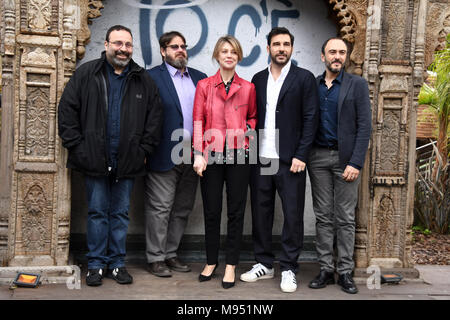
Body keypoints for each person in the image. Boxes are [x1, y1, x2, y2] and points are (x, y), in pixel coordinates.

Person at [58, 25, 163, 287]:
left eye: (128, 44)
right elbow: (67, 111)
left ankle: (116, 264)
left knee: (120, 214)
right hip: (93, 158)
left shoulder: (142, 79)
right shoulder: (86, 74)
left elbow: (155, 118)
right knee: (97, 212)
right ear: (106, 44)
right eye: (118, 43)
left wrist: (144, 150)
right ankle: (95, 265)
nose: (123, 49)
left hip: (127, 160)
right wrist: (78, 148)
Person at [240, 27, 319, 293]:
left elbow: (311, 119)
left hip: (290, 160)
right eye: (276, 44)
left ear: (292, 49)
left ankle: (288, 267)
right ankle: (264, 263)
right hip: (262, 159)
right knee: (261, 213)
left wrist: (301, 155)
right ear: (268, 48)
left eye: (286, 44)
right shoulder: (258, 78)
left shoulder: (304, 78)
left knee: (292, 215)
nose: (281, 48)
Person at [307, 37, 371, 294]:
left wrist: (356, 161)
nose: (337, 56)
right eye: (332, 52)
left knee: (345, 218)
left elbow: (364, 126)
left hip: (346, 161)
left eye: (342, 52)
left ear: (346, 56)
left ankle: (344, 272)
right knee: (323, 217)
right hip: (318, 159)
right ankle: (325, 269)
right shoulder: (312, 86)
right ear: (323, 56)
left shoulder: (357, 85)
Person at [192, 35, 257, 289]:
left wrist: (246, 137)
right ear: (217, 56)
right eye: (224, 51)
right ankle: (210, 261)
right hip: (211, 154)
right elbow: (198, 121)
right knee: (211, 209)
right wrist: (198, 154)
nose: (229, 55)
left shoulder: (249, 87)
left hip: (239, 154)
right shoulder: (204, 86)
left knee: (236, 210)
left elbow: (252, 117)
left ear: (238, 56)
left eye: (233, 51)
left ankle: (231, 264)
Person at [145, 31, 207, 277]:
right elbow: (144, 116)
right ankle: (155, 257)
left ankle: (171, 254)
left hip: (193, 155)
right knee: (160, 208)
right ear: (163, 51)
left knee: (182, 208)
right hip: (162, 153)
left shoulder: (200, 79)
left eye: (183, 46)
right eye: (174, 47)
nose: (180, 50)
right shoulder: (150, 78)